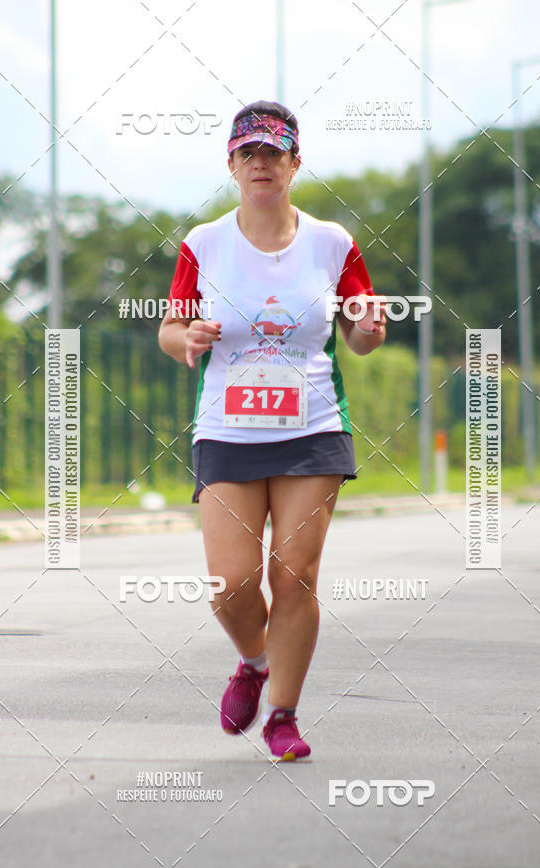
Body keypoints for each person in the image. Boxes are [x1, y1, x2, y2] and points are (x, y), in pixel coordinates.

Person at [158, 100, 386, 761]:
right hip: (227, 428)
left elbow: (360, 330)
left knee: (294, 576)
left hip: (312, 426)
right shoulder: (204, 243)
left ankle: (283, 714)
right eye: (248, 153)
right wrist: (186, 338)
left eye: (274, 153)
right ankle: (254, 662)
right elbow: (170, 329)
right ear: (231, 165)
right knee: (231, 583)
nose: (262, 163)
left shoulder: (332, 242)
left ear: (295, 163)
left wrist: (368, 330)